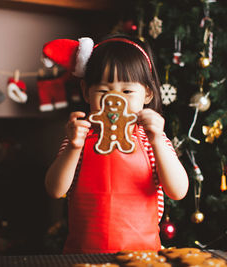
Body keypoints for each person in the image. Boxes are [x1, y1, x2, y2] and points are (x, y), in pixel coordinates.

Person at [44, 34, 189, 254]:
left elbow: (178, 191)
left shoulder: (151, 139)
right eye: (103, 91)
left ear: (147, 93)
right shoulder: (79, 137)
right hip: (83, 256)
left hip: (144, 258)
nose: (113, 99)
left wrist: (158, 140)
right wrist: (73, 147)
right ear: (86, 92)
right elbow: (55, 189)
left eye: (127, 91)